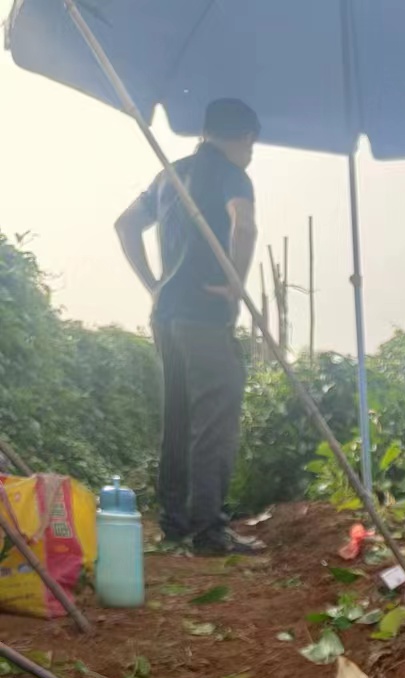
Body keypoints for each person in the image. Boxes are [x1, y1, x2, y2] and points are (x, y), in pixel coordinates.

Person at [116, 98, 264, 556]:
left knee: (178, 417)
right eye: (251, 146)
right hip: (204, 315)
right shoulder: (231, 174)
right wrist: (235, 283)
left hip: (166, 317)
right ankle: (209, 531)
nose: (250, 154)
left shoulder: (168, 175)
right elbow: (245, 227)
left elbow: (125, 226)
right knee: (214, 417)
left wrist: (154, 285)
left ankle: (175, 523)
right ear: (241, 138)